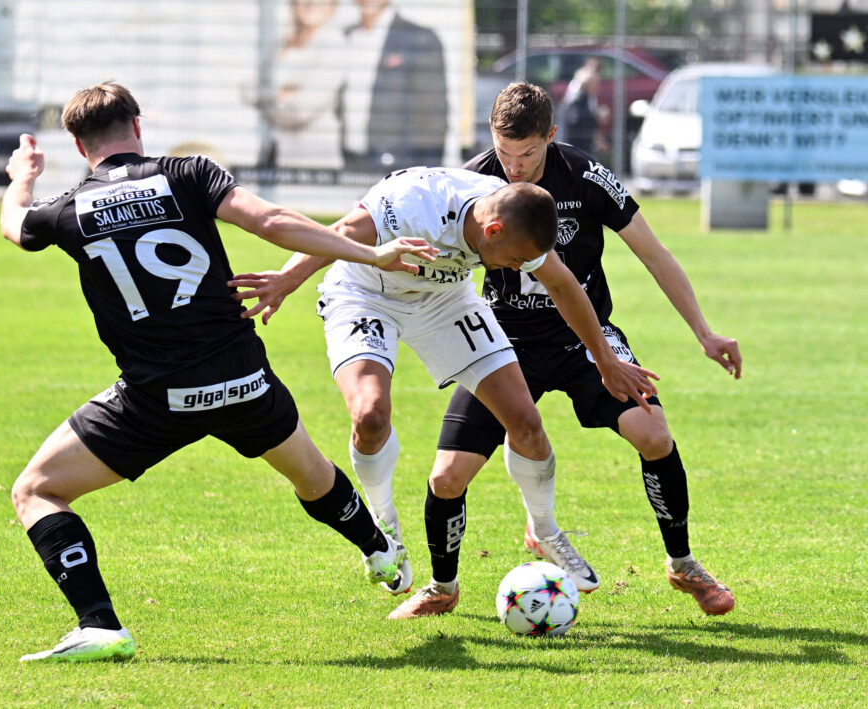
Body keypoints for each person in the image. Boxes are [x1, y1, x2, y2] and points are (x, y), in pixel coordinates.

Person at [0, 82, 440, 662]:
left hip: (156, 398)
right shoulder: (188, 173)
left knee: (36, 490)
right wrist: (371, 253)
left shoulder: (67, 210)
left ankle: (98, 623)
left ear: (80, 147)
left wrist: (23, 177)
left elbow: (15, 225)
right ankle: (380, 550)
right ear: (138, 126)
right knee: (311, 476)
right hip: (243, 380)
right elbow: (272, 220)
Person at [227, 165, 658, 603]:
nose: (516, 268)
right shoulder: (414, 204)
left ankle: (544, 530)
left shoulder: (515, 217)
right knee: (370, 416)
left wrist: (606, 361)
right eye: (514, 259)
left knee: (526, 423)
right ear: (492, 231)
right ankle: (384, 524)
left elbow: (563, 286)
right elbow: (343, 230)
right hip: (366, 294)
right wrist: (287, 279)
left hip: (445, 301)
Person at [389, 82, 739, 620]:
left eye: (527, 153)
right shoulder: (472, 181)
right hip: (501, 341)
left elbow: (653, 254)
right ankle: (442, 586)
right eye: (504, 152)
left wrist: (704, 332)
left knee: (654, 434)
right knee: (447, 477)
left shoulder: (587, 176)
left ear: (550, 136)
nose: (514, 167)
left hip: (586, 338)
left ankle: (683, 564)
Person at [342, 0, 447, 171]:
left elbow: (433, 114)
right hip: (349, 163)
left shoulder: (420, 39)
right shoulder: (345, 36)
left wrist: (426, 175)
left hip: (399, 167)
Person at [247, 0, 345, 169]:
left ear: (332, 7)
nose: (311, 4)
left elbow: (302, 109)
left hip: (313, 159)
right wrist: (282, 95)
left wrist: (265, 103)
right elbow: (248, 89)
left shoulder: (334, 44)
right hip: (275, 154)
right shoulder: (281, 43)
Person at [557, 62, 608, 157]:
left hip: (580, 148)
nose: (598, 86)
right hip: (572, 148)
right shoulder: (575, 99)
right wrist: (597, 116)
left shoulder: (587, 98)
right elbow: (576, 120)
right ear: (588, 84)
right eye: (596, 83)